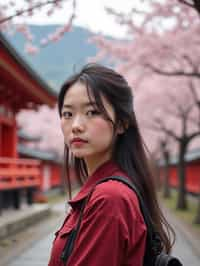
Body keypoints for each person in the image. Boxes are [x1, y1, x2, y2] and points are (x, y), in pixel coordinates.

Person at [48, 63, 174, 266]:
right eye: (68, 114)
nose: (76, 126)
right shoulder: (109, 190)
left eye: (92, 112)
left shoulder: (109, 198)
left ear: (123, 123)